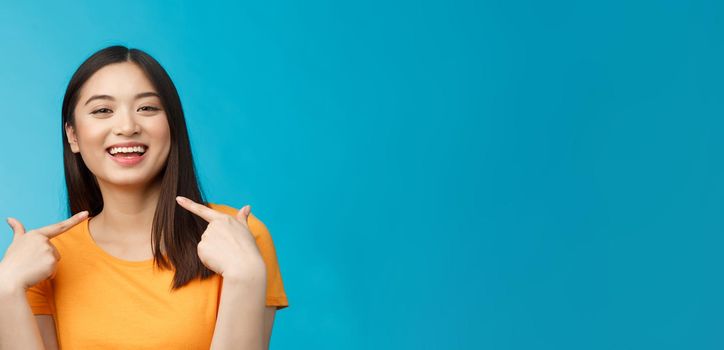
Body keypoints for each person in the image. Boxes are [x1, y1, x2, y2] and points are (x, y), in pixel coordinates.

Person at [0, 45, 289, 349]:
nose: (127, 127)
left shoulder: (239, 236)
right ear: (73, 135)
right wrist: (6, 289)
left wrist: (245, 276)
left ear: (172, 126)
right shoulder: (45, 260)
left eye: (147, 108)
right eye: (102, 111)